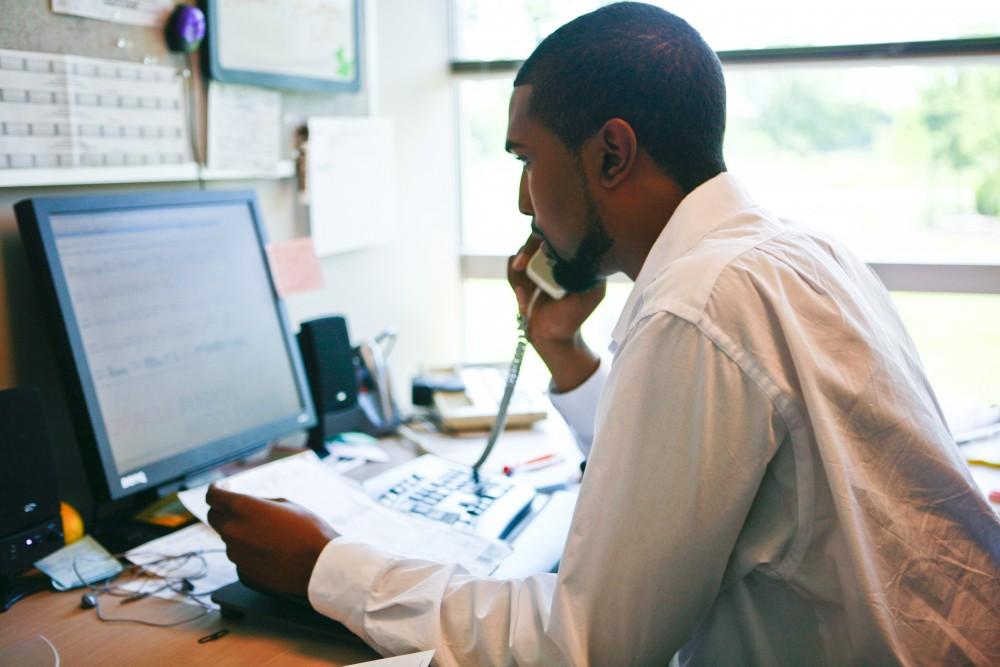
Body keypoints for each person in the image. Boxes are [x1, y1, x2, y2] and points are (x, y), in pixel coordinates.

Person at [206, 3, 1000, 665]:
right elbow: (695, 476)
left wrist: (325, 565)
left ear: (610, 152)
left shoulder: (695, 305)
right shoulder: (794, 252)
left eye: (527, 157)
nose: (523, 199)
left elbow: (587, 646)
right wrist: (566, 354)